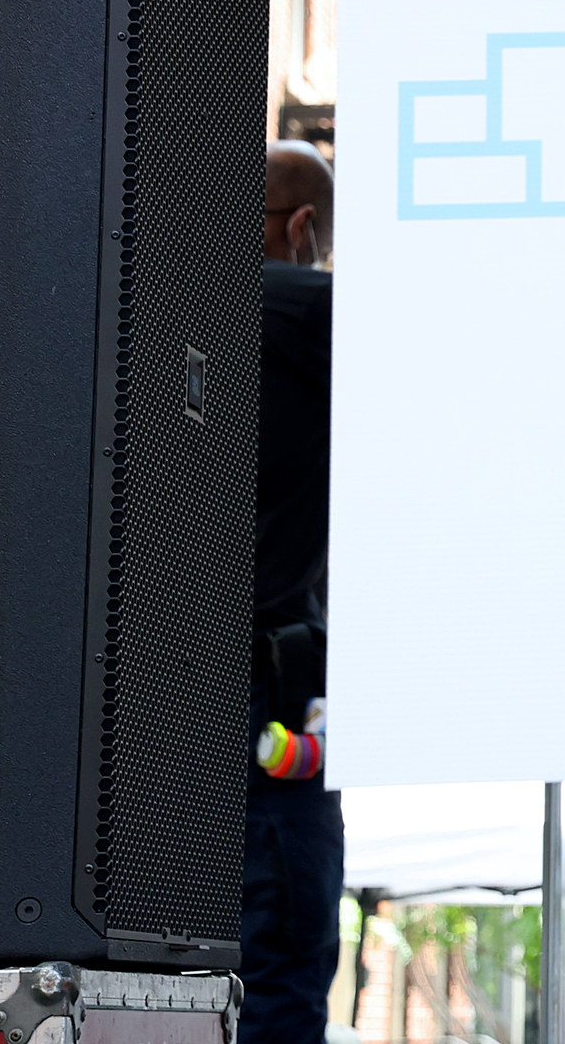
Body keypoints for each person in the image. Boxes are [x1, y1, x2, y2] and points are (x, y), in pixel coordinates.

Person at [244, 140, 342, 1044]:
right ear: (304, 228)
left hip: (146, 713)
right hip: (272, 710)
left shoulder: (131, 316)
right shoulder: (314, 313)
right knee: (280, 961)